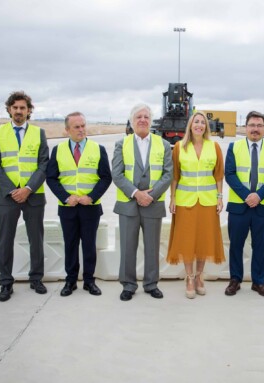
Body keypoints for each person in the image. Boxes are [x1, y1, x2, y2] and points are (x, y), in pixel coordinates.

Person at [0, 91, 49, 302]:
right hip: (7, 197)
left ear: (29, 110)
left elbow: (44, 164)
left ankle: (36, 278)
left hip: (33, 196)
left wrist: (28, 189)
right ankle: (6, 283)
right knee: (5, 240)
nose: (19, 111)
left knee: (36, 239)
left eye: (23, 108)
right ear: (9, 109)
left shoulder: (38, 133)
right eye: (15, 107)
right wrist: (12, 190)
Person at [46, 112, 112, 297]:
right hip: (68, 208)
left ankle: (89, 281)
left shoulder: (98, 149)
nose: (81, 129)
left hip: (90, 207)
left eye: (83, 125)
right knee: (70, 245)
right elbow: (51, 178)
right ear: (67, 130)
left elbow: (106, 177)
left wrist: (91, 196)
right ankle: (71, 281)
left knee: (89, 245)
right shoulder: (58, 150)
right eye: (77, 127)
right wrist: (66, 197)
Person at [112, 104, 173, 301]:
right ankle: (128, 285)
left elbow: (168, 173)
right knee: (128, 247)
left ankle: (151, 283)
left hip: (153, 204)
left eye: (146, 116)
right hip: (129, 204)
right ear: (132, 121)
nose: (143, 120)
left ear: (151, 120)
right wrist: (137, 193)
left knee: (152, 247)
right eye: (139, 116)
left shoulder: (162, 144)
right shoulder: (122, 144)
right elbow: (117, 174)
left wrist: (151, 195)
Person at [166, 112, 225, 299]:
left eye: (202, 122)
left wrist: (220, 197)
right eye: (196, 122)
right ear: (190, 125)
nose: (199, 125)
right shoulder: (178, 147)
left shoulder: (214, 147)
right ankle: (189, 277)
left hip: (207, 201)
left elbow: (218, 175)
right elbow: (174, 175)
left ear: (206, 127)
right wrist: (172, 198)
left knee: (203, 240)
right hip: (186, 201)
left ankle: (200, 276)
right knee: (187, 240)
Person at [225, 111, 264, 297]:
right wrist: (248, 196)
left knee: (260, 245)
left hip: (262, 206)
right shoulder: (234, 146)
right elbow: (230, 174)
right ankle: (235, 280)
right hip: (238, 206)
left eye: (259, 125)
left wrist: (259, 196)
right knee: (236, 245)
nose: (255, 129)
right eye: (252, 125)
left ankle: (258, 282)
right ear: (246, 127)